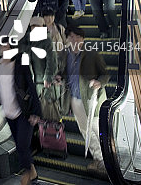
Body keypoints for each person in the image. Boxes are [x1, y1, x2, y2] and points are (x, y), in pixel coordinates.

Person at [0, 40, 41, 185]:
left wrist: (36, 112)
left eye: (7, 46)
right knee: (20, 145)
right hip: (8, 112)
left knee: (22, 146)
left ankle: (28, 173)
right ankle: (32, 172)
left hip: (24, 112)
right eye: (2, 46)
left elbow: (31, 85)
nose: (4, 49)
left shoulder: (21, 61)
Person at [60, 25, 109, 175]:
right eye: (71, 37)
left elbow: (105, 74)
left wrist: (99, 83)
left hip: (92, 99)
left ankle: (110, 161)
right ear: (67, 39)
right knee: (85, 131)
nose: (74, 40)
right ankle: (99, 159)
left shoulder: (91, 54)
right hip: (75, 99)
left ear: (83, 39)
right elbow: (64, 74)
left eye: (77, 37)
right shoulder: (65, 55)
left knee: (97, 130)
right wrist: (59, 78)